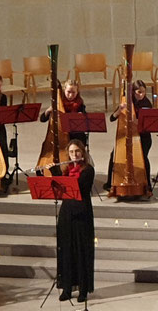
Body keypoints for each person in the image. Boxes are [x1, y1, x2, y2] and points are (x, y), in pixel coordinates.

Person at [56, 139, 96, 302]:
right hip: (67, 213)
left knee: (81, 251)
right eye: (71, 152)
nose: (74, 155)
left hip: (81, 213)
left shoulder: (88, 170)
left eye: (77, 151)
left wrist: (62, 179)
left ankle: (83, 290)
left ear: (83, 152)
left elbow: (78, 187)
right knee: (66, 250)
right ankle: (66, 288)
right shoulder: (66, 170)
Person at [108, 79, 153, 190]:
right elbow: (112, 118)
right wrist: (119, 110)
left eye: (143, 92)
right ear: (133, 92)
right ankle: (110, 183)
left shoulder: (147, 104)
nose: (141, 95)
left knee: (143, 158)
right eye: (139, 92)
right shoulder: (127, 101)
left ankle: (147, 184)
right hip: (128, 136)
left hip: (143, 136)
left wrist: (136, 121)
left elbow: (148, 124)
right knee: (114, 154)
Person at [40, 79, 88, 144]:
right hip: (61, 133)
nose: (70, 95)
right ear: (64, 90)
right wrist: (48, 110)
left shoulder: (80, 103)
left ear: (77, 92)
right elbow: (42, 119)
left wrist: (81, 116)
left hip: (76, 135)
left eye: (73, 92)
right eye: (68, 92)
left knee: (78, 138)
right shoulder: (59, 103)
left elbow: (86, 121)